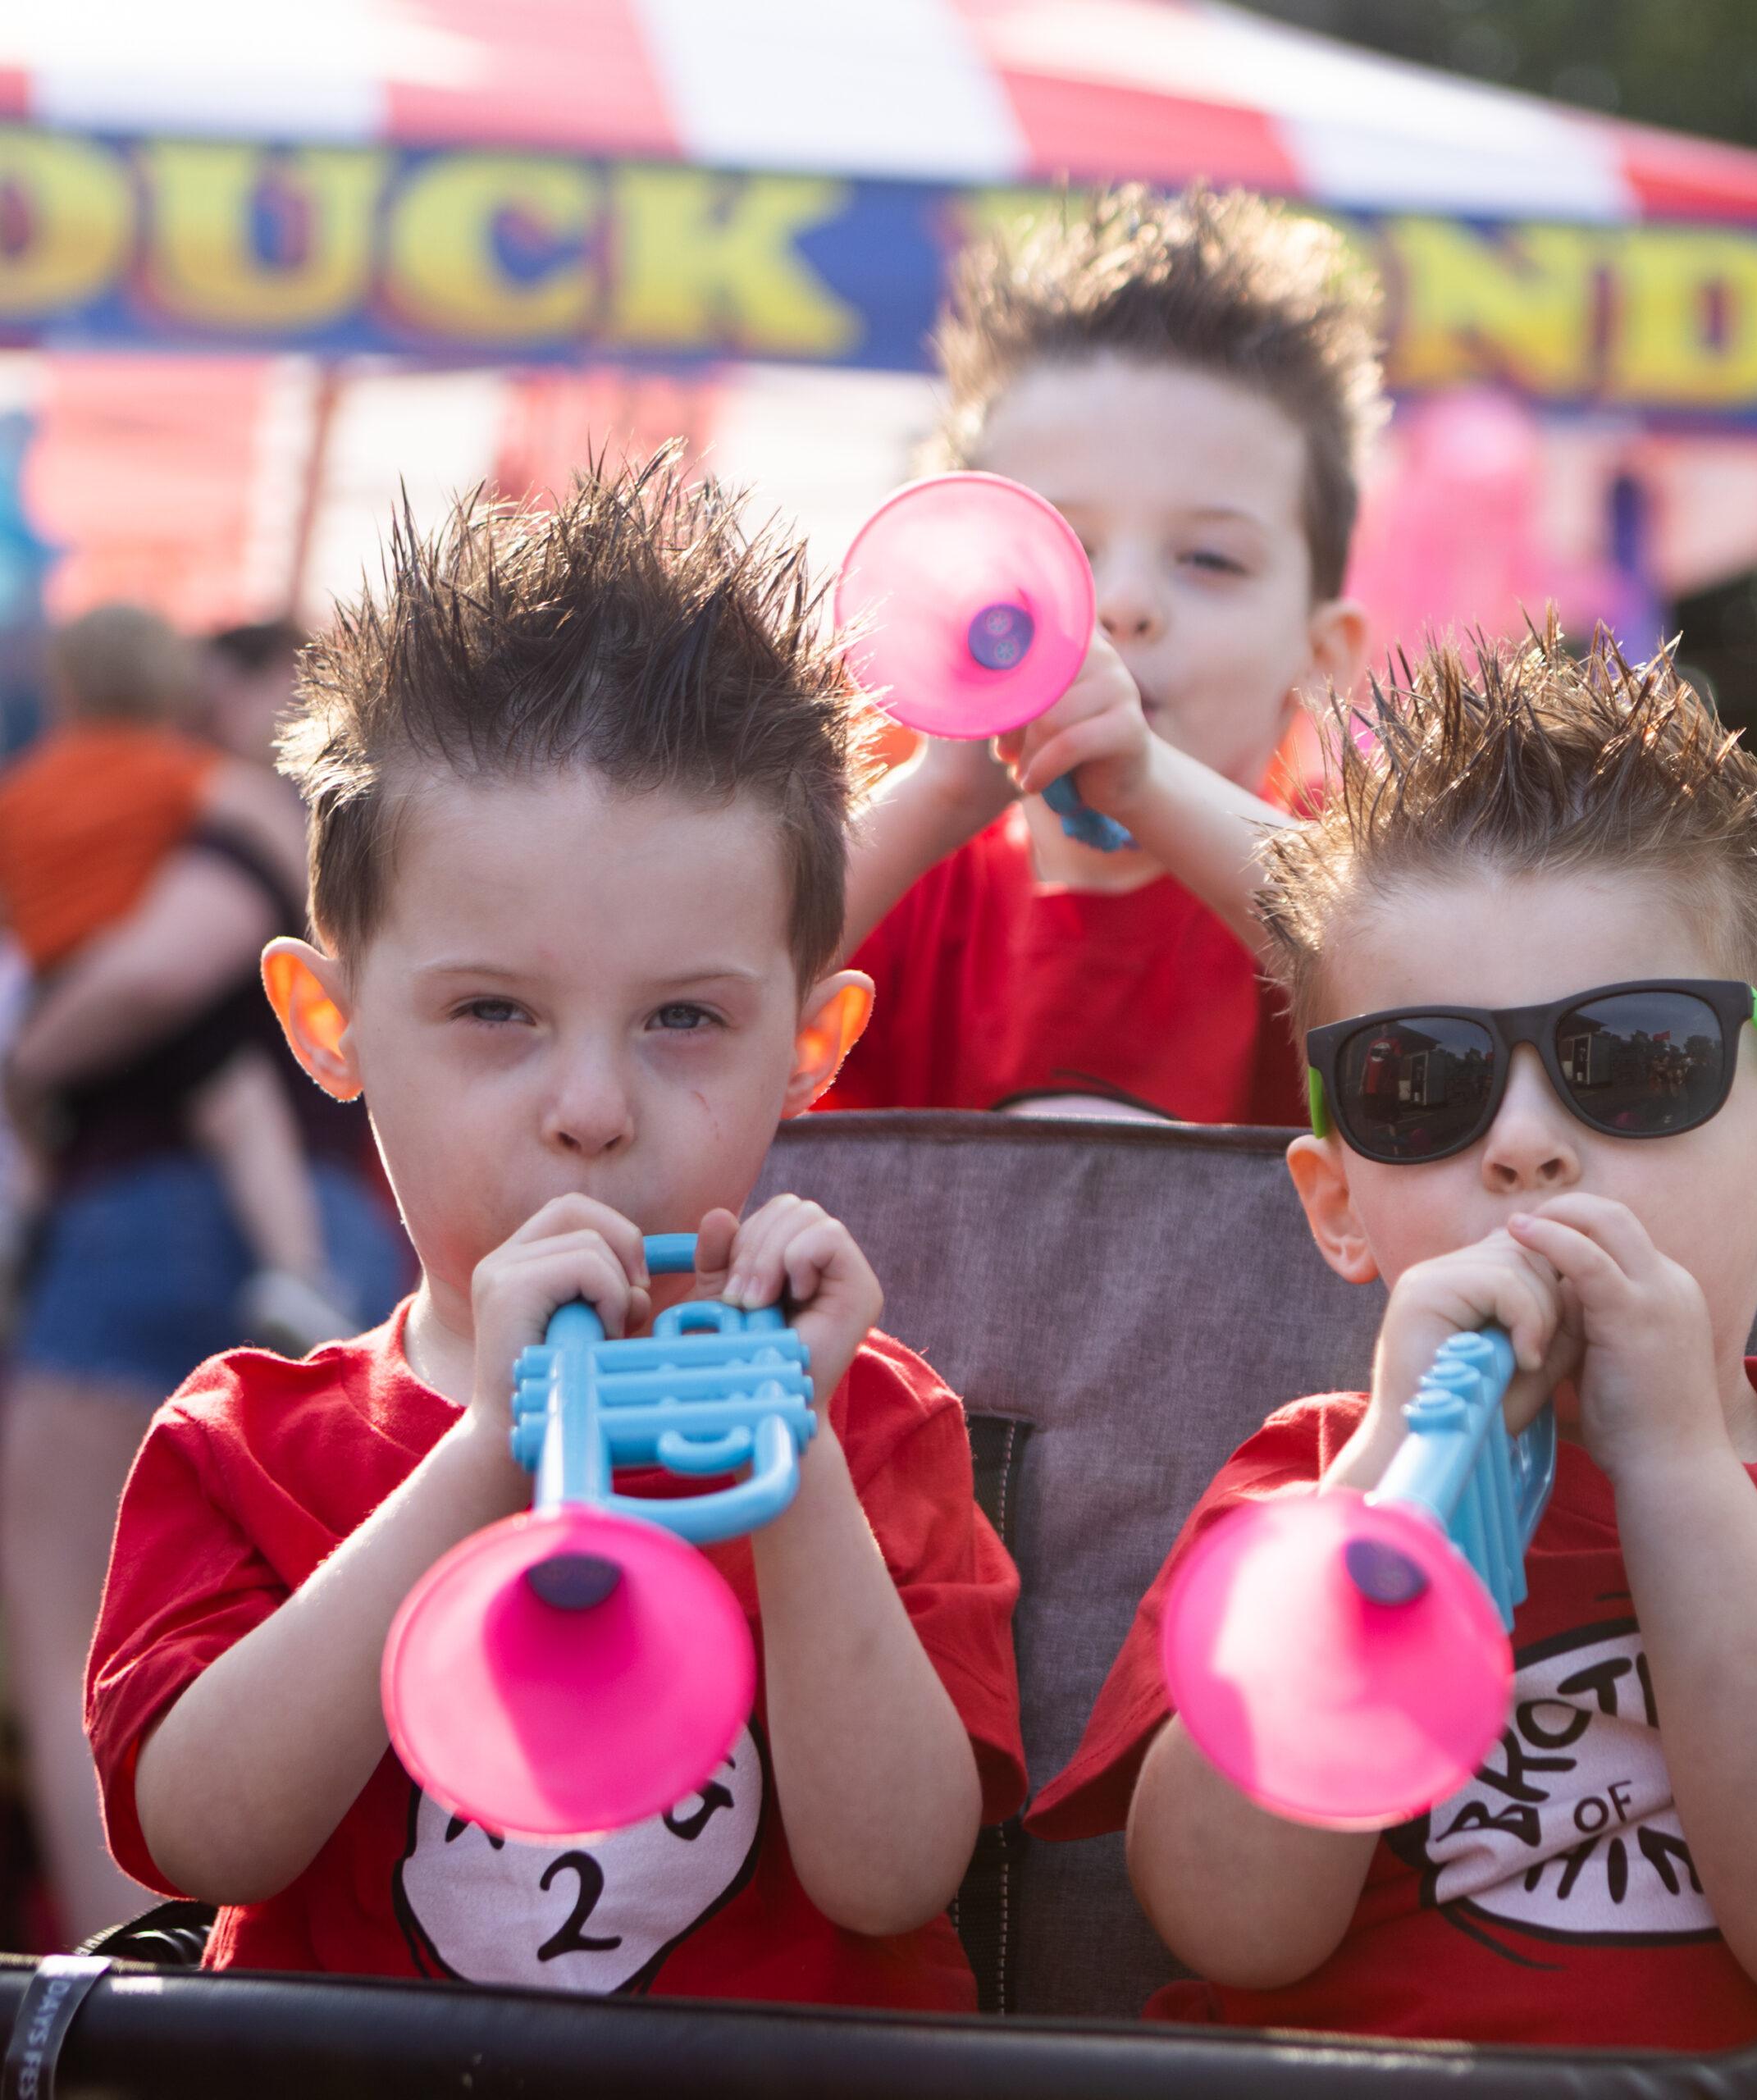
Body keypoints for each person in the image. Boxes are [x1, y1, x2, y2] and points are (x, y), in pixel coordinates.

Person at [84, 454, 1025, 2006]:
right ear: (329, 1026)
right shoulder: (247, 1443)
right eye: (495, 1012)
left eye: (681, 1019)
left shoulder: (870, 1424)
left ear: (812, 1042)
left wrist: (782, 1472)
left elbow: (897, 1874)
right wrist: (485, 1456)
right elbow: (204, 1842)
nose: (591, 1107)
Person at [1025, 631, 1757, 2051]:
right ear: (1339, 1204)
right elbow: (1227, 1921)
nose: (1525, 1144)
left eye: (1636, 1061)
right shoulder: (1305, 1490)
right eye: (1421, 1083)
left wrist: (1676, 1460)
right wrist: (1380, 1488)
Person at [0, 608, 403, 1946]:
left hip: (155, 1216)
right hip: (343, 1222)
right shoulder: (362, 835)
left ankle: (136, 2008)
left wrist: (29, 1061)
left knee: (80, 1641)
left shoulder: (225, 809)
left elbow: (162, 969)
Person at [829, 185, 1378, 1124]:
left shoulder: (1363, 878)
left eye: (1208, 558)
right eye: (1061, 548)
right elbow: (711, 979)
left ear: (1320, 659)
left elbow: (1421, 987)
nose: (1118, 605)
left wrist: (1145, 786)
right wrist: (941, 797)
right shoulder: (910, 885)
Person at [0, 606, 354, 1349]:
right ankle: (299, 1269)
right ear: (174, 690)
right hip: (146, 989)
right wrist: (324, 922)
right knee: (240, 1104)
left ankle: (20, 1231)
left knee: (30, 1120)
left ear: (63, 686)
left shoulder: (22, 789)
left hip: (57, 983)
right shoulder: (183, 769)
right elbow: (271, 828)